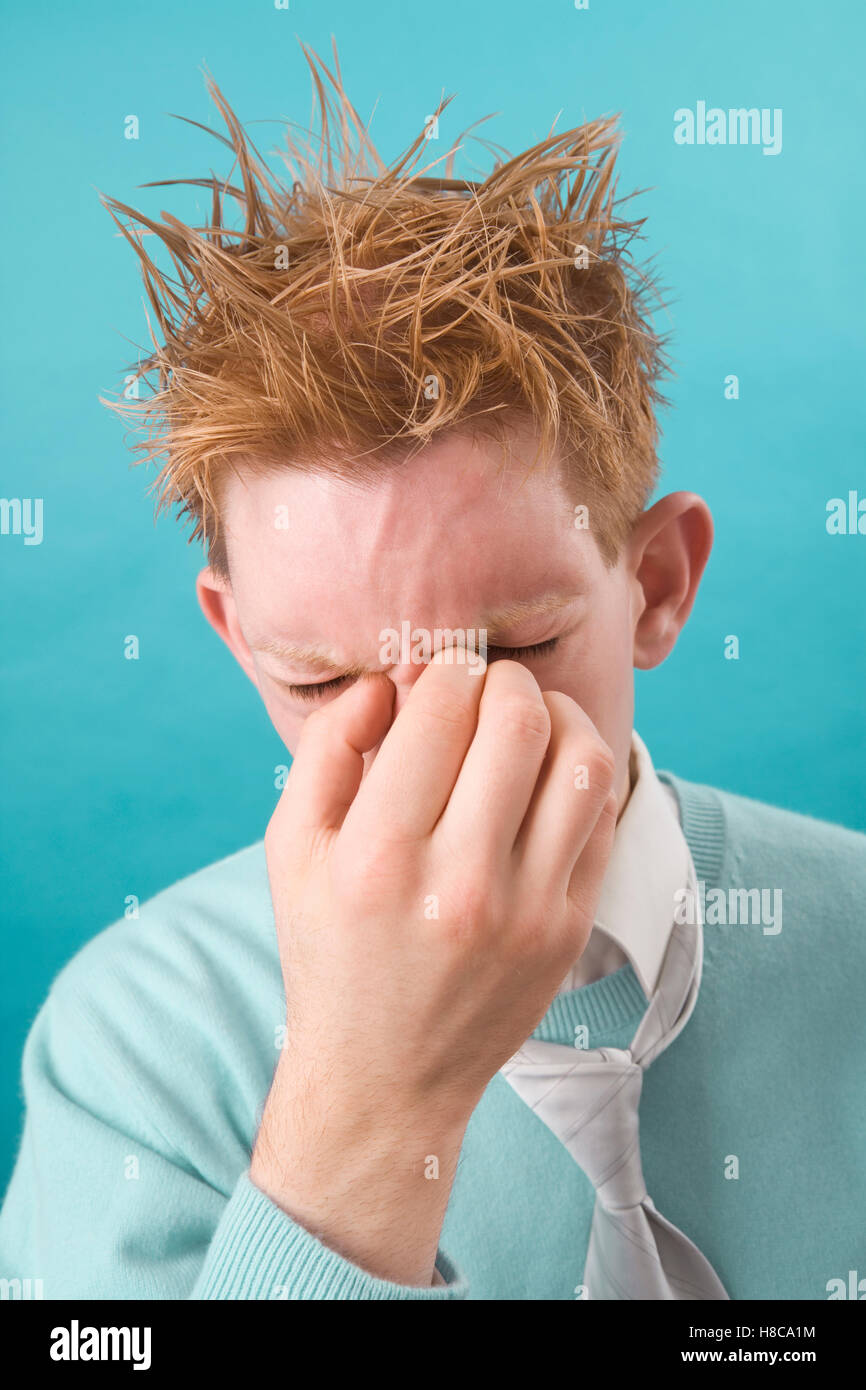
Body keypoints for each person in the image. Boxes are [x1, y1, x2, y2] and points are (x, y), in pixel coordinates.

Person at [1, 45, 863, 1301]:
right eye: (316, 679)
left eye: (512, 650)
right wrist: (366, 1109)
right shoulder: (137, 1044)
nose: (430, 751)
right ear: (238, 643)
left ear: (659, 586)